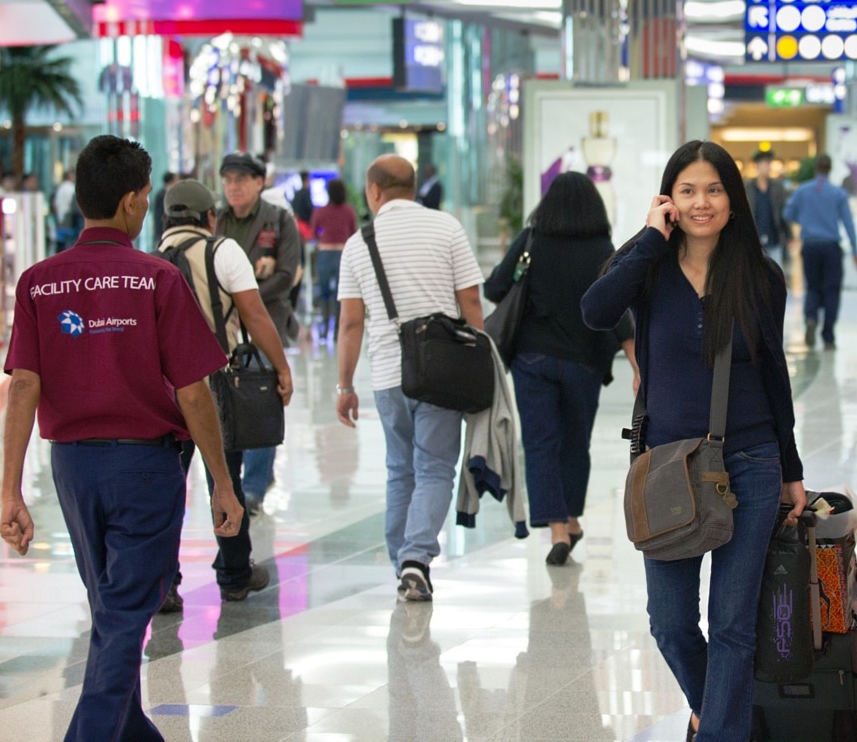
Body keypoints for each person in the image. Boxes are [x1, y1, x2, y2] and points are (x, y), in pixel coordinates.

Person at [0, 135, 244, 742]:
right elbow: (192, 393)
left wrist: (8, 493)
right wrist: (222, 481)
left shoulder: (38, 282)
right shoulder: (155, 279)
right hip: (145, 471)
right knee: (124, 616)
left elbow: (22, 388)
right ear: (134, 201)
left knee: (114, 614)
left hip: (73, 471)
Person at [582, 139, 807, 742]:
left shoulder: (760, 277)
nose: (702, 202)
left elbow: (774, 374)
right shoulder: (647, 265)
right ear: (669, 199)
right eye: (688, 190)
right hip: (668, 465)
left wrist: (791, 467)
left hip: (751, 460)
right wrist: (649, 239)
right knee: (671, 622)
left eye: (714, 189)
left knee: (734, 625)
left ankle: (721, 733)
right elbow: (595, 311)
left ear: (733, 200)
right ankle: (719, 709)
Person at [335, 155, 484, 602]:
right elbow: (471, 302)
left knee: (400, 470)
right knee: (436, 468)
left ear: (374, 191)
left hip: (386, 375)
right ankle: (416, 560)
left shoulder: (359, 243)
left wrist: (344, 385)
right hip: (441, 372)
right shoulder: (447, 228)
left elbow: (350, 322)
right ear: (414, 187)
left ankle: (402, 559)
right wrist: (480, 358)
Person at [484, 172, 639, 567]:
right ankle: (570, 518)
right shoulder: (602, 248)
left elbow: (494, 287)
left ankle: (557, 529)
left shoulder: (533, 240)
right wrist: (640, 367)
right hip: (583, 363)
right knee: (575, 443)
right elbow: (620, 313)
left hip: (531, 360)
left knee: (539, 444)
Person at [157, 179, 294, 610]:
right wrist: (281, 367)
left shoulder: (150, 259)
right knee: (226, 478)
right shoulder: (223, 251)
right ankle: (234, 574)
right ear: (209, 218)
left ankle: (165, 582)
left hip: (163, 387)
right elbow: (255, 315)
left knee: (167, 485)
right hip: (217, 380)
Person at [215, 152, 303, 515]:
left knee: (262, 404)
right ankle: (233, 482)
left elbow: (286, 274)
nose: (233, 187)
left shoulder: (279, 220)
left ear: (259, 182)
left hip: (266, 325)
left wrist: (243, 296)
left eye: (241, 179)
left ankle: (254, 487)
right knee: (226, 404)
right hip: (225, 331)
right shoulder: (215, 221)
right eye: (228, 180)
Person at [782, 154, 857, 350]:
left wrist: (806, 222)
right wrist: (855, 250)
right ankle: (828, 335)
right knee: (832, 290)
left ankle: (810, 318)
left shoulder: (802, 190)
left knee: (813, 287)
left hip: (810, 245)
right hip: (831, 246)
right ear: (830, 169)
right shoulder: (838, 193)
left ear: (815, 169)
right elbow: (848, 223)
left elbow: (787, 213)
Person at [310, 177, 359, 340]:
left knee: (323, 291)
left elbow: (313, 231)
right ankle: (338, 328)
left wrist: (322, 238)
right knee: (341, 293)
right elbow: (353, 232)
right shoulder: (349, 210)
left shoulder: (321, 211)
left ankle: (324, 328)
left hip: (325, 252)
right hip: (343, 254)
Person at [743, 149, 788, 264]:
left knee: (776, 274)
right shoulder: (748, 188)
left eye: (769, 164)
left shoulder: (777, 187)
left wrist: (789, 235)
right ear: (757, 165)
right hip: (753, 239)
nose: (767, 167)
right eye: (764, 163)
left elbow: (783, 212)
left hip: (774, 237)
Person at [149, 171, 177, 249]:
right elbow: (158, 213)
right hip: (161, 227)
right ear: (171, 181)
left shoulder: (166, 193)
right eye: (175, 180)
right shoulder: (162, 194)